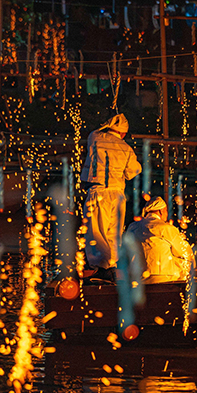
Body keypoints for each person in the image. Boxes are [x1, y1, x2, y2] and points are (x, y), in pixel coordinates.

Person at [80, 113, 142, 281]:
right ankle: (112, 267)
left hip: (98, 191)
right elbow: (134, 171)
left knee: (96, 231)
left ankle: (102, 268)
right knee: (113, 233)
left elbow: (96, 132)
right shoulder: (126, 148)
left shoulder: (96, 137)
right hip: (118, 194)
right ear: (123, 133)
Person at [126, 197, 193, 283]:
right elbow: (184, 251)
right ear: (161, 211)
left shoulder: (133, 227)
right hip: (164, 276)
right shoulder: (166, 228)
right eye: (166, 211)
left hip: (137, 277)